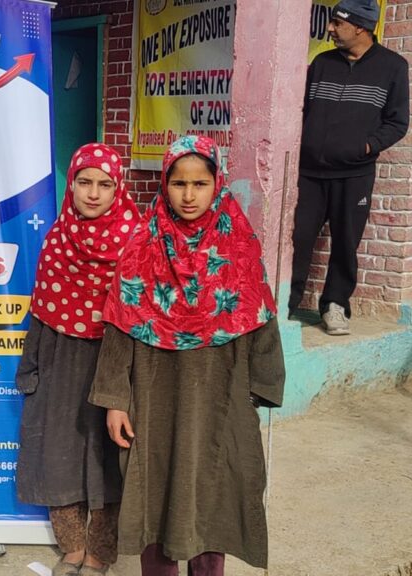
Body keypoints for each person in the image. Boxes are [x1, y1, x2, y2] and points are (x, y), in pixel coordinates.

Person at [89, 136, 285, 575]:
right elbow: (120, 323)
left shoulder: (239, 245)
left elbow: (261, 314)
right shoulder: (142, 245)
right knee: (154, 490)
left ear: (218, 183)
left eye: (200, 183)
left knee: (214, 488)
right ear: (165, 184)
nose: (189, 195)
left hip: (222, 391)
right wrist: (115, 399)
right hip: (154, 393)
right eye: (179, 183)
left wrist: (263, 384)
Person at [16, 143, 142, 576]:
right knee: (59, 451)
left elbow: (142, 313)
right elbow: (41, 308)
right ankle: (71, 547)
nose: (93, 193)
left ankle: (101, 551)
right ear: (70, 184)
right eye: (84, 182)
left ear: (118, 189)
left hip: (115, 357)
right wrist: (31, 367)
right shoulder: (58, 237)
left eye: (104, 184)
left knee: (108, 458)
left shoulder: (137, 242)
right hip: (61, 356)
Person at [290, 0, 409, 335]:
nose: (330, 29)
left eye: (337, 23)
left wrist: (365, 146)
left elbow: (397, 122)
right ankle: (285, 305)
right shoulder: (322, 63)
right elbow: (302, 110)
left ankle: (335, 306)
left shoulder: (393, 67)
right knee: (298, 241)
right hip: (310, 174)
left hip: (355, 175)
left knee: (345, 244)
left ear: (360, 27)